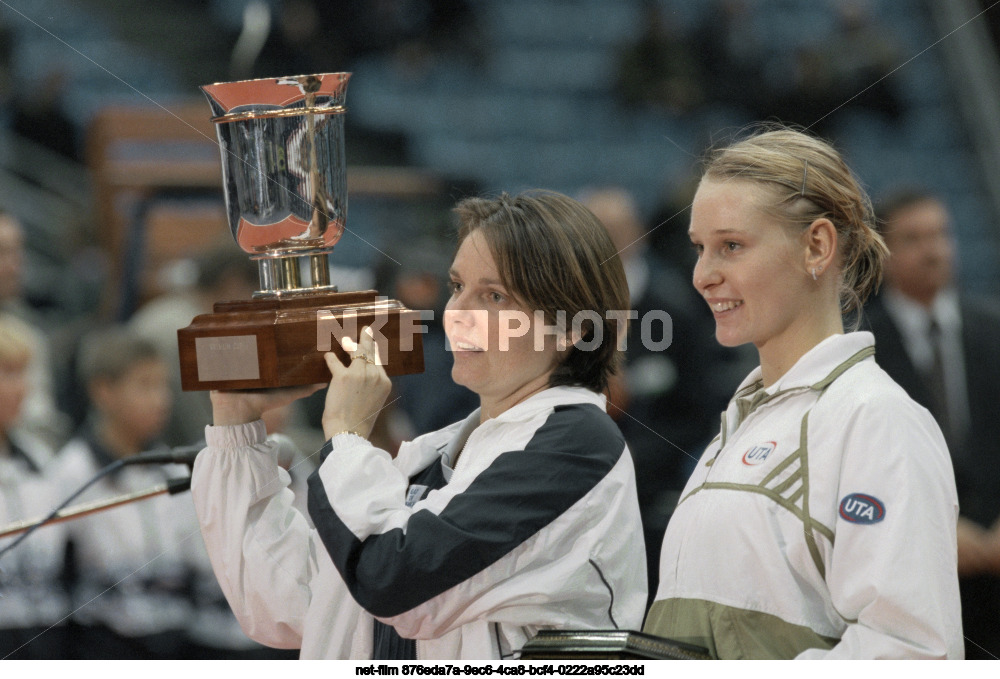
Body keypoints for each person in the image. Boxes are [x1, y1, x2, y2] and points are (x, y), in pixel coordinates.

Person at [191, 190, 648, 659]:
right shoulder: (442, 450)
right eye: (457, 287)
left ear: (572, 327)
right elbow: (292, 606)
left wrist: (348, 435)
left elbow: (392, 583)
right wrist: (236, 426)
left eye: (493, 295)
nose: (458, 314)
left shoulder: (575, 446)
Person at [643, 125, 963, 658]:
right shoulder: (740, 421)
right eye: (700, 248)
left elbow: (915, 654)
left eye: (731, 246)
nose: (702, 274)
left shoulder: (877, 420)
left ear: (817, 245)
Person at [862, 187, 1000, 659]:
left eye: (942, 234)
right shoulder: (860, 347)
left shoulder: (993, 328)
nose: (934, 249)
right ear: (882, 256)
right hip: (911, 572)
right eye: (915, 238)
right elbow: (865, 465)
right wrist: (941, 529)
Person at [0, 313, 71, 659]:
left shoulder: (42, 462)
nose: (21, 388)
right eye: (6, 374)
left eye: (22, 373)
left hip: (46, 636)